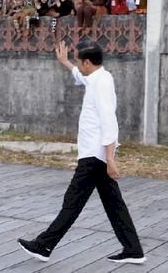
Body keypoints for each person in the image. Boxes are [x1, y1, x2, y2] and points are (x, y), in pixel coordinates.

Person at [18, 39, 145, 265]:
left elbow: (109, 121)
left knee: (72, 201)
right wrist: (65, 62)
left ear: (87, 62)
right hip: (95, 155)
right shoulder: (96, 77)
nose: (78, 65)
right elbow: (81, 76)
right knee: (114, 204)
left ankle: (44, 244)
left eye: (78, 61)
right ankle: (133, 250)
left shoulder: (102, 84)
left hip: (94, 157)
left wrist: (110, 158)